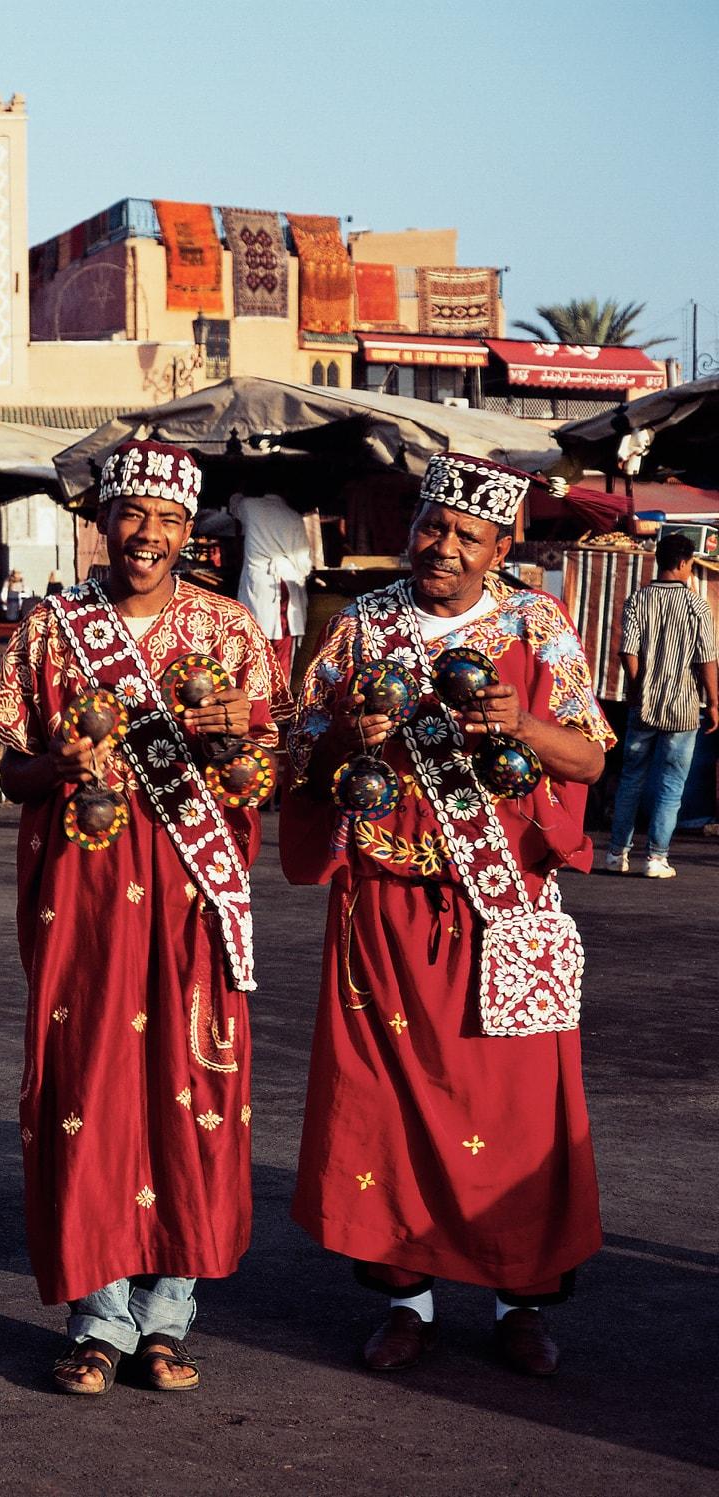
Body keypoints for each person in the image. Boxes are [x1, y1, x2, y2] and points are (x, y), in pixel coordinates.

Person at [281, 453, 612, 1379]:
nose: (446, 547)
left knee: (519, 1114)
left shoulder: (537, 626)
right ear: (412, 525)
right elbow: (297, 761)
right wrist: (348, 731)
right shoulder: (361, 627)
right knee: (383, 1111)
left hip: (503, 911)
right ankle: (405, 1302)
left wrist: (522, 727)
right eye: (434, 525)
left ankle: (519, 1302)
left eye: (470, 535)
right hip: (382, 910)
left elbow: (586, 762)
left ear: (504, 545)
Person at [0, 440, 280, 1395]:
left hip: (195, 895)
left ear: (190, 532)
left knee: (187, 1086)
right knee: (88, 1091)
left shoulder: (229, 631)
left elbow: (266, 772)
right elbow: (9, 771)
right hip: (85, 897)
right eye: (130, 516)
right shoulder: (51, 627)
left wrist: (237, 739)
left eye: (168, 522)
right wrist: (63, 767)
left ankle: (170, 1312)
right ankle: (98, 1313)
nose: (146, 537)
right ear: (101, 520)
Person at [606, 531, 717, 878]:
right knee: (672, 784)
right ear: (685, 564)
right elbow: (707, 659)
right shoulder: (697, 605)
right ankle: (656, 858)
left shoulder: (637, 600)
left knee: (630, 780)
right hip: (683, 708)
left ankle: (615, 854)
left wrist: (640, 687)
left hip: (645, 705)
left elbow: (628, 651)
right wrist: (714, 702)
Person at [229, 490, 315, 686]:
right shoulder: (293, 516)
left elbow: (233, 503)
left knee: (254, 647)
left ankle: (257, 699)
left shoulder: (249, 506)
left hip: (259, 587)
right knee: (281, 652)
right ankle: (278, 703)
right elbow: (304, 564)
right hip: (285, 588)